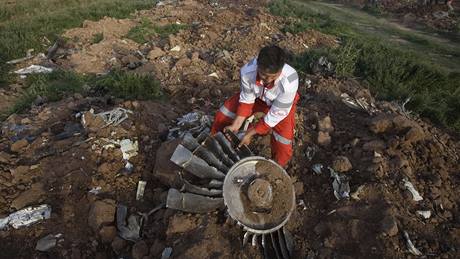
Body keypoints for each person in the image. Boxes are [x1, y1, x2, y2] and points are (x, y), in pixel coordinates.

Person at [211, 45, 299, 167]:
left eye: (273, 76)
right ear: (257, 66)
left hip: (279, 106)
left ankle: (275, 169)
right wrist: (235, 125)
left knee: (283, 142)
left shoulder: (290, 81)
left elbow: (275, 114)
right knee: (224, 113)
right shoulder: (247, 71)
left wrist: (251, 133)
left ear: (281, 70)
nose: (268, 80)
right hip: (257, 98)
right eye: (264, 75)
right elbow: (247, 99)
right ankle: (215, 146)